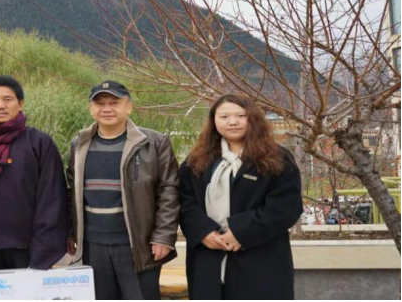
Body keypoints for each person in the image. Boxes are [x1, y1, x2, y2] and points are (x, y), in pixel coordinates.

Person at [179, 94, 303, 299]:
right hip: (208, 253)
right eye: (224, 116)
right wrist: (203, 232)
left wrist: (241, 232)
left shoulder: (276, 158)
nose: (232, 122)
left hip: (261, 257)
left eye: (240, 115)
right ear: (213, 121)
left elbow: (285, 208)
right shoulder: (197, 159)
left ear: (253, 118)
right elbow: (184, 201)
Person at [0, 75, 69, 300]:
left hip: (27, 246)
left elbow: (52, 197)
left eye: (7, 99)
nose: (0, 105)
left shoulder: (39, 142)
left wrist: (44, 250)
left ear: (21, 103)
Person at [65, 80, 180, 300]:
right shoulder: (79, 143)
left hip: (138, 244)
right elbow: (71, 191)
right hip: (92, 244)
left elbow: (169, 191)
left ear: (129, 107)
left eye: (114, 103)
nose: (106, 109)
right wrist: (71, 232)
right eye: (100, 103)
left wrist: (164, 236)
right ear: (91, 109)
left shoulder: (153, 142)